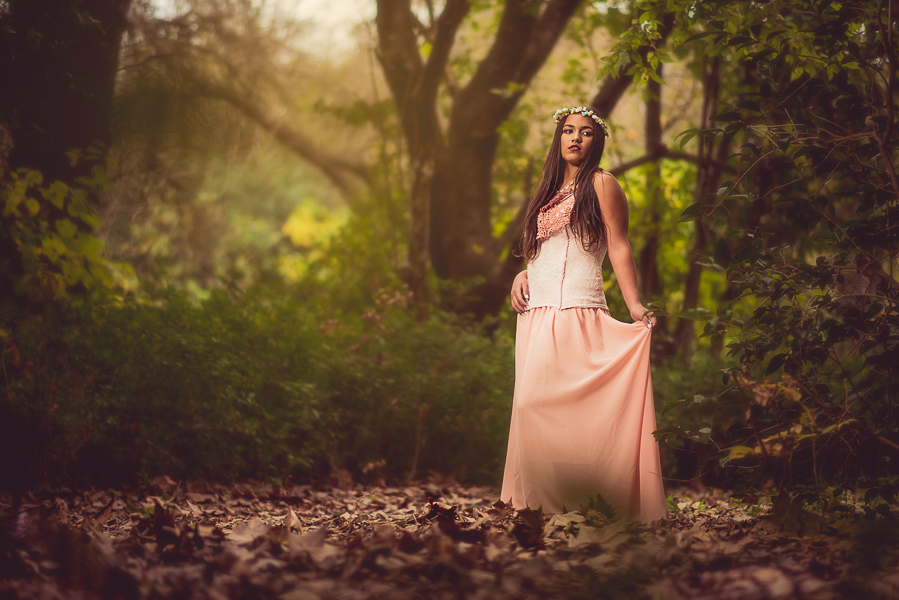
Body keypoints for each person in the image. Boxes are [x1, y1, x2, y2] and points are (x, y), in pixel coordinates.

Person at [501, 106, 667, 520]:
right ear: (558, 138)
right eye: (568, 130)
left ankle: (587, 503)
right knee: (528, 407)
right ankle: (538, 505)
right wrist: (521, 275)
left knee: (563, 412)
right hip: (536, 313)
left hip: (577, 308)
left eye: (586, 132)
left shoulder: (603, 184)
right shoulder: (547, 189)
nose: (575, 138)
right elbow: (546, 251)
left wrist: (634, 306)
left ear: (598, 141)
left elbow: (618, 245)